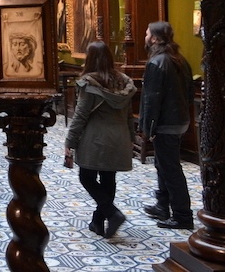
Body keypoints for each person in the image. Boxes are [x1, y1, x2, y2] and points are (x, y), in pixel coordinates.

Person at [64, 41, 137, 238]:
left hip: (95, 138)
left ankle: (112, 214)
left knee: (86, 177)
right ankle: (98, 221)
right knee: (108, 178)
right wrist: (131, 136)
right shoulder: (124, 82)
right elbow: (129, 113)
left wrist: (69, 142)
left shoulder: (88, 83)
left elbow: (80, 115)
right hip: (119, 136)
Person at [139, 21, 194, 230]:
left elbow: (152, 99)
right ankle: (162, 206)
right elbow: (190, 93)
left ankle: (182, 215)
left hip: (164, 123)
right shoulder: (180, 59)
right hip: (178, 120)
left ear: (154, 38)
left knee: (170, 169)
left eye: (147, 34)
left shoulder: (157, 62)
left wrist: (148, 128)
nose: (145, 37)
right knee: (163, 164)